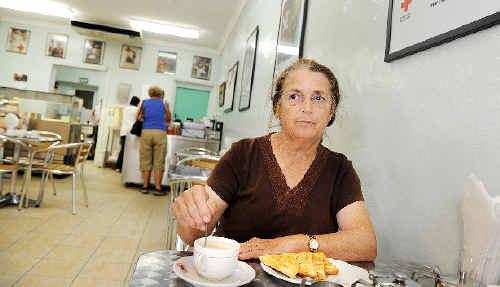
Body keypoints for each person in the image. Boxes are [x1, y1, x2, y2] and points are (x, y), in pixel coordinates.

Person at [172, 59, 377, 261]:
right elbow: (193, 235)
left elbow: (365, 243)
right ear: (277, 107)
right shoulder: (243, 154)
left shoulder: (339, 169)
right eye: (294, 96)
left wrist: (293, 244)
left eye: (318, 98)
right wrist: (189, 213)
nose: (306, 107)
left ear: (331, 111)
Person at [138, 86, 171, 195]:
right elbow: (168, 119)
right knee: (159, 161)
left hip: (146, 132)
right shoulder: (164, 103)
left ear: (150, 94)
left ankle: (145, 187)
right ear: (160, 94)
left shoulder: (144, 103)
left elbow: (138, 117)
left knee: (145, 160)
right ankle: (157, 188)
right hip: (160, 133)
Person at [116, 96, 140, 172]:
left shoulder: (125, 109)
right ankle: (127, 169)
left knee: (122, 150)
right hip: (131, 132)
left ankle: (118, 167)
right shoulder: (137, 110)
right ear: (137, 103)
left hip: (123, 131)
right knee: (131, 151)